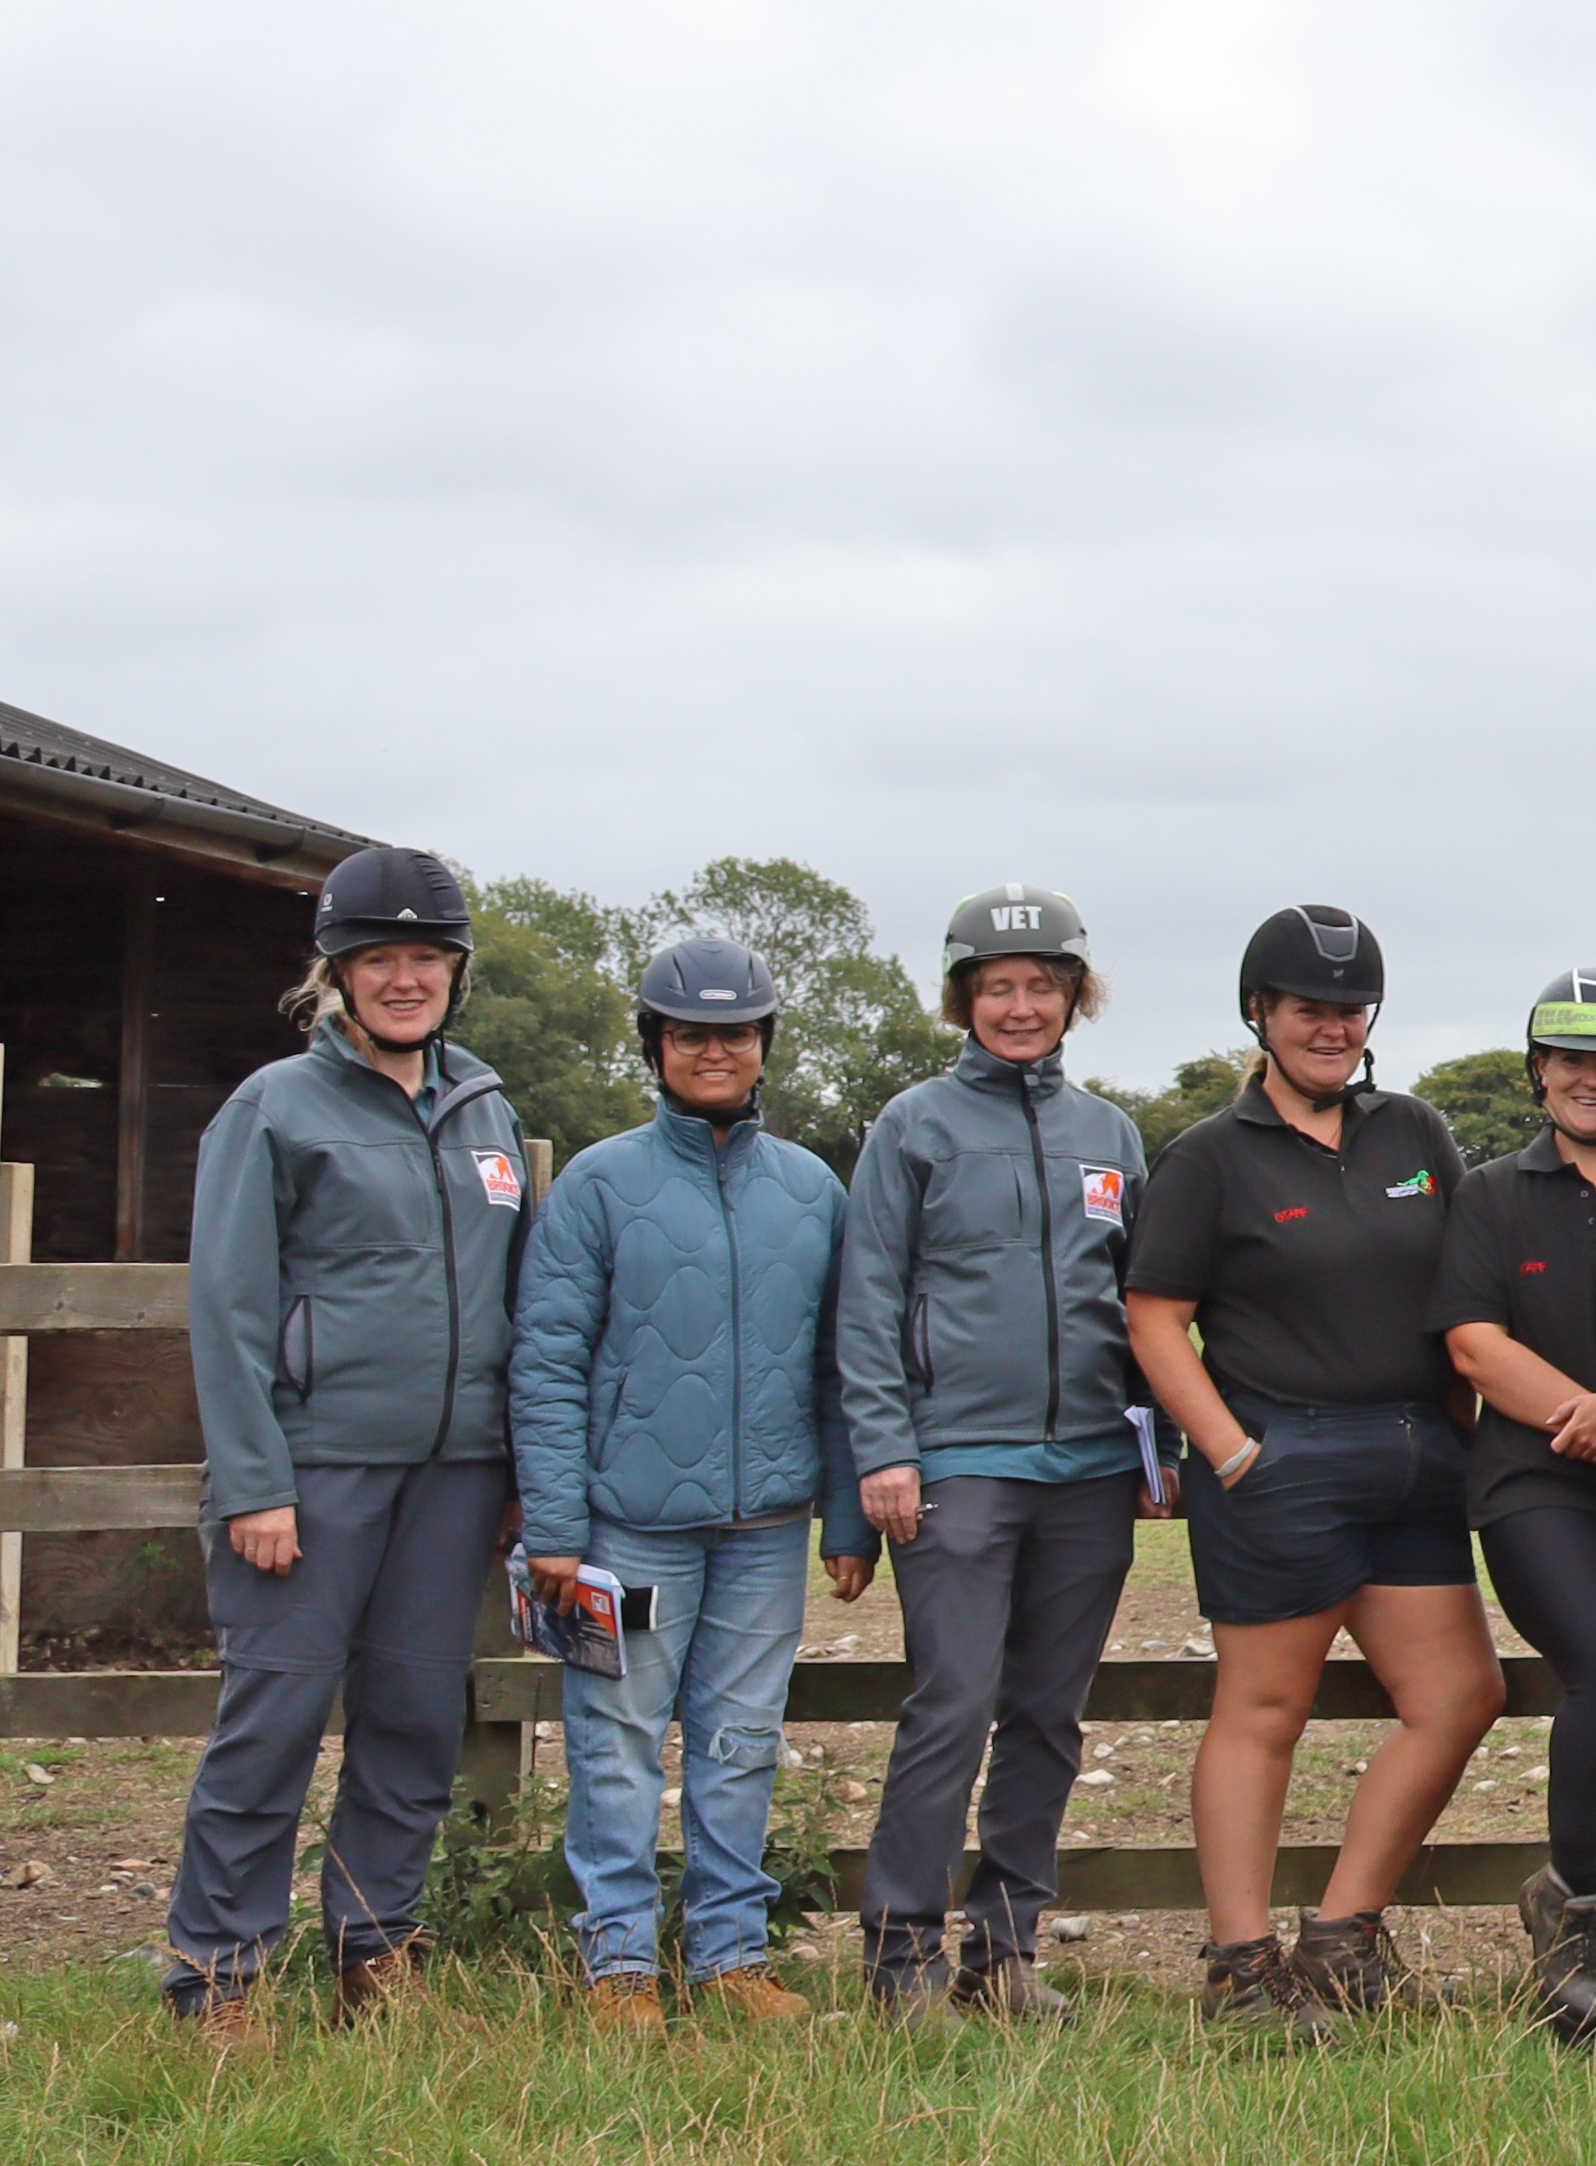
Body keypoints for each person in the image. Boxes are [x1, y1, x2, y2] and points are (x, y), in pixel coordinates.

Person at [165, 846, 532, 2043]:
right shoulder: (274, 1108)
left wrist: (520, 1471)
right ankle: (218, 1976)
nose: (406, 977)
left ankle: (377, 1949)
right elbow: (224, 1307)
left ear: (456, 971)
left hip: (456, 1475)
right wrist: (256, 1481)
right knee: (272, 1719)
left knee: (417, 1717)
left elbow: (518, 1299)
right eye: (382, 957)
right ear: (338, 973)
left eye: (427, 956)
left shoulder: (486, 1104)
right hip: (313, 1474)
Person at [1126, 905, 1503, 2039]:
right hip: (1280, 1454)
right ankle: (1242, 1968)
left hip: (1415, 1455)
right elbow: (1153, 1320)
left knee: (1459, 1696)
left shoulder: (1417, 1133)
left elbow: (1461, 1290)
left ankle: (1342, 1937)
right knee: (1267, 1707)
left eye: (1349, 1009)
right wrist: (1232, 1451)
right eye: (1308, 1008)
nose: (1331, 1027)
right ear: (1262, 1013)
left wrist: (1461, 1427)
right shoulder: (1208, 1157)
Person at [509, 936, 874, 2033]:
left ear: (763, 1045)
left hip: (765, 1527)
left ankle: (730, 1954)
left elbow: (838, 1364)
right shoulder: (598, 1185)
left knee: (740, 1742)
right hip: (630, 1530)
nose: (715, 1051)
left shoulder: (812, 1189)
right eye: (691, 1033)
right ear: (658, 1045)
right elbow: (548, 1358)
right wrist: (557, 1528)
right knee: (616, 1743)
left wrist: (847, 1514)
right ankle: (618, 1961)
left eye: (736, 1032)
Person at [835, 882, 1156, 2019]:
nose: (1020, 1007)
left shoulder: (1109, 1134)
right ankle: (899, 1950)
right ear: (963, 996)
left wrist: (1152, 1445)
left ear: (1076, 995)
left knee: (1048, 1716)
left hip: (1088, 1475)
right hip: (957, 1464)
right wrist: (884, 1445)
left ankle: (1004, 1950)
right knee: (952, 1702)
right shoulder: (912, 1126)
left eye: (1042, 986)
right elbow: (867, 1298)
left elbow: (1141, 1305)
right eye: (997, 987)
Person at [1429, 966, 1596, 2046]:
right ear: (1540, 1071)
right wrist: (1587, 1409)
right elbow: (1472, 1340)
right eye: (1573, 1058)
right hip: (1537, 1485)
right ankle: (1571, 1904)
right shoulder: (1491, 1192)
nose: (1593, 1078)